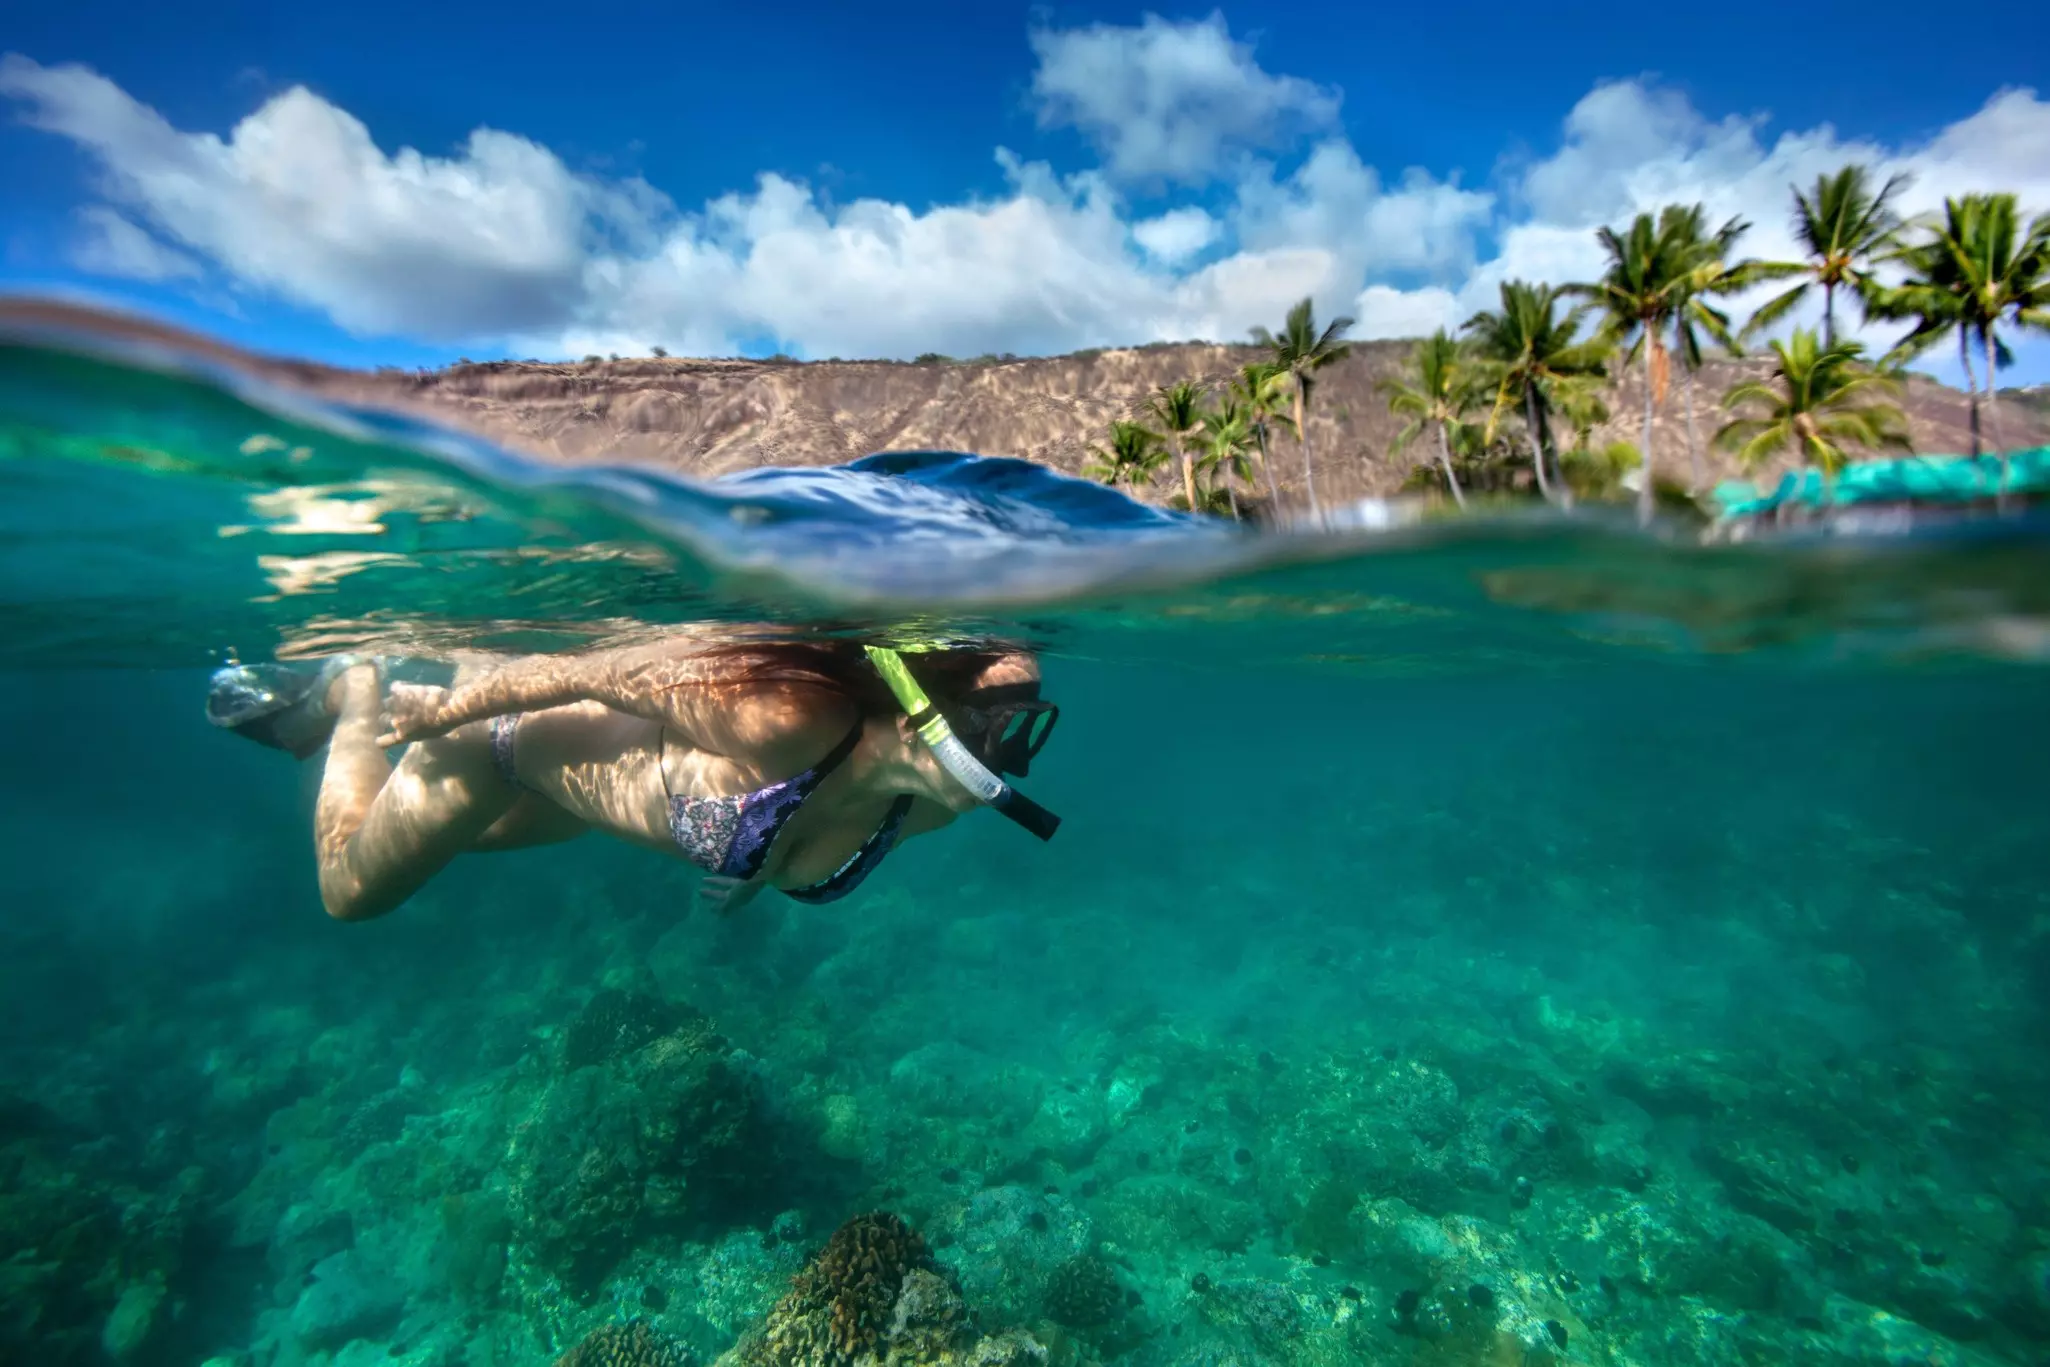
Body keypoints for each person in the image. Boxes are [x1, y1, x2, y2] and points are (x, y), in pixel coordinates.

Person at [205, 637, 1060, 921]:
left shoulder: (930, 810)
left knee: (438, 848)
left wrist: (752, 874)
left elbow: (796, 821)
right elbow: (596, 669)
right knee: (349, 889)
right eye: (992, 718)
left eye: (1020, 724)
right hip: (492, 742)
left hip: (572, 800)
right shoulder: (784, 716)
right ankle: (358, 692)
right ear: (918, 700)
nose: (1002, 753)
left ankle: (336, 728)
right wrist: (443, 713)